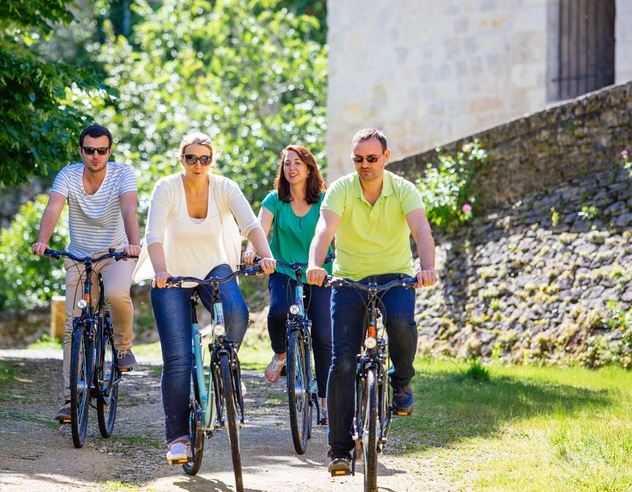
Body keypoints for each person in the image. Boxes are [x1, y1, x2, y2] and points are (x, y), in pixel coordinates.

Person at [136, 132, 276, 464]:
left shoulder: (225, 187)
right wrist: (159, 271)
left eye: (204, 159)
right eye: (190, 158)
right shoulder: (167, 188)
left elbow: (251, 225)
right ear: (180, 159)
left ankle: (227, 370)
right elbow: (154, 236)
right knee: (178, 359)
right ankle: (178, 438)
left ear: (212, 161)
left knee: (237, 312)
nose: (198, 165)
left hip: (213, 268)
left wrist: (265, 256)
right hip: (171, 274)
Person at [305, 128, 437, 475]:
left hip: (395, 276)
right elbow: (324, 230)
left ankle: (402, 379)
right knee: (343, 362)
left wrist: (427, 268)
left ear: (386, 157)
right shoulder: (341, 190)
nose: (365, 165)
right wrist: (316, 264)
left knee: (399, 323)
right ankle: (339, 450)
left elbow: (421, 230)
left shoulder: (403, 190)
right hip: (349, 279)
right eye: (358, 159)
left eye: (372, 159)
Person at [32, 124, 141, 423]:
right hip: (79, 256)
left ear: (109, 151)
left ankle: (122, 348)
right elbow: (53, 209)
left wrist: (134, 244)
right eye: (90, 150)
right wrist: (43, 240)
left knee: (118, 294)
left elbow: (129, 209)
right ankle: (71, 398)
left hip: (117, 253)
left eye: (102, 151)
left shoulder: (122, 174)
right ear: (81, 151)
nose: (95, 156)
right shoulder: (67, 175)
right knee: (73, 325)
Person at [242, 145, 334, 421]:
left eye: (297, 163)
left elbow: (334, 229)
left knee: (324, 336)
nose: (291, 168)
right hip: (283, 269)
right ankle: (281, 355)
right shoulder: (274, 200)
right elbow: (259, 230)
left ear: (309, 168)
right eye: (286, 164)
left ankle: (327, 400)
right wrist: (252, 251)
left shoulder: (325, 200)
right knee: (278, 311)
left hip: (318, 272)